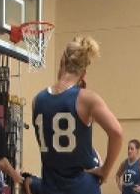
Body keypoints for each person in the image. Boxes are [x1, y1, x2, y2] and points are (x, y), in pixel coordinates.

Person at [32, 36, 123, 194]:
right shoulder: (87, 99)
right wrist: (105, 170)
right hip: (82, 187)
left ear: (62, 60)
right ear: (83, 73)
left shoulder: (37, 100)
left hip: (51, 188)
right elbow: (116, 132)